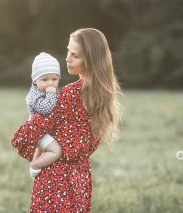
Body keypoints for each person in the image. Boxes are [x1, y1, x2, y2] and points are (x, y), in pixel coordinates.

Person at [11, 28, 121, 212]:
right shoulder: (102, 95)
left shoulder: (71, 93)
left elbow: (37, 127)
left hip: (56, 178)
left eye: (75, 55)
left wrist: (23, 139)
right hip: (80, 177)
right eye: (68, 51)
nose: (68, 58)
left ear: (90, 61)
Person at [26, 52, 63, 179]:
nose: (50, 83)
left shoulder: (47, 90)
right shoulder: (33, 95)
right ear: (34, 80)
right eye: (45, 79)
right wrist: (52, 94)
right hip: (37, 130)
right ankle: (35, 165)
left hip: (44, 129)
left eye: (54, 79)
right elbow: (46, 109)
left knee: (40, 149)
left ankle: (34, 170)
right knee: (56, 151)